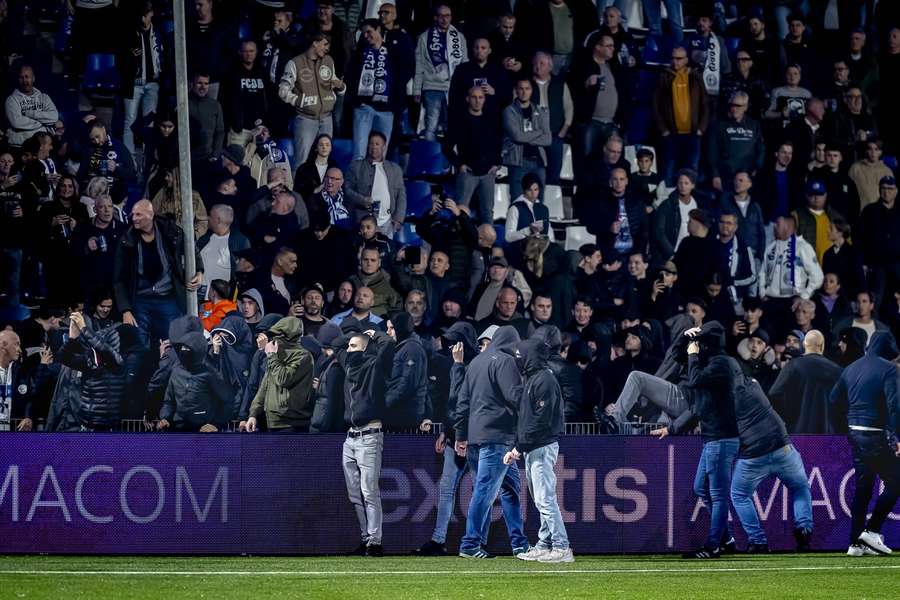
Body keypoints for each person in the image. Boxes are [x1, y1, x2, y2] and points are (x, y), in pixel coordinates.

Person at [648, 323, 740, 559]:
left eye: (701, 341)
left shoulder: (721, 364)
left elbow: (694, 379)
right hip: (713, 438)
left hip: (721, 438)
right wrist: (682, 337)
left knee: (718, 495)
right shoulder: (710, 362)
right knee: (701, 488)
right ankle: (726, 539)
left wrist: (693, 355)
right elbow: (696, 403)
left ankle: (713, 546)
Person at [454, 325, 528, 558]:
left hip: (477, 437)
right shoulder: (505, 361)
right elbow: (515, 397)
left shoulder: (475, 362)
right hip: (498, 438)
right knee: (485, 492)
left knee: (509, 490)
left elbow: (462, 402)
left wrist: (460, 435)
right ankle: (470, 544)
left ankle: (519, 544)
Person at [729, 351, 814, 552]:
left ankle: (757, 540)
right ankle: (804, 529)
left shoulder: (723, 399)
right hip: (782, 446)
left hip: (753, 454)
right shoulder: (754, 384)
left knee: (739, 494)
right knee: (800, 487)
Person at [830, 332, 900, 556]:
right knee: (897, 482)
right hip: (876, 434)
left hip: (855, 433)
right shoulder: (889, 370)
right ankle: (872, 531)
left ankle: (855, 543)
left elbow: (833, 400)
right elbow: (894, 406)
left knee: (863, 488)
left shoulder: (851, 368)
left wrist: (846, 426)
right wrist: (897, 437)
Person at [504, 336, 572, 563]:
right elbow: (526, 419)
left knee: (545, 500)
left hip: (542, 446)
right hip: (533, 447)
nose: (518, 360)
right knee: (541, 499)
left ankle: (562, 547)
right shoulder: (534, 378)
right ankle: (544, 544)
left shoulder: (545, 380)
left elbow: (541, 420)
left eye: (521, 356)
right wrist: (518, 446)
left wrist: (518, 447)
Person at [113, 200, 203, 346]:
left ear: (150, 215)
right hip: (140, 299)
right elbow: (118, 279)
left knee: (172, 341)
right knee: (138, 343)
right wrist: (126, 310)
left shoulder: (170, 231)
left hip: (166, 297)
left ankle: (168, 368)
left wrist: (199, 272)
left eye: (138, 214)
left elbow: (191, 249)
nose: (134, 218)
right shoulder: (127, 240)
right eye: (133, 214)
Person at [342, 329, 394, 557]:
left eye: (353, 346)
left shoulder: (374, 366)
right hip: (350, 437)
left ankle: (375, 541)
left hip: (370, 435)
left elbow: (389, 345)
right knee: (355, 494)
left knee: (369, 491)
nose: (348, 350)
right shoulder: (349, 368)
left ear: (364, 347)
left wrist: (377, 334)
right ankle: (365, 538)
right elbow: (335, 345)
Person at [279, 33, 346, 163]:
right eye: (325, 44)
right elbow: (283, 91)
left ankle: (321, 184)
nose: (327, 48)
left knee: (324, 160)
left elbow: (335, 82)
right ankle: (298, 184)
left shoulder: (328, 60)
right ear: (315, 43)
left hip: (327, 118)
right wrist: (298, 100)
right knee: (301, 161)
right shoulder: (295, 63)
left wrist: (341, 87)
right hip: (305, 119)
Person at [346, 19, 404, 160]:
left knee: (380, 154)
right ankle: (356, 181)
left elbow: (400, 77)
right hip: (364, 107)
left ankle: (377, 181)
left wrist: (394, 104)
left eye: (369, 32)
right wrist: (356, 101)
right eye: (363, 33)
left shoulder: (394, 51)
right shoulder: (360, 52)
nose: (366, 35)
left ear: (378, 29)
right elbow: (351, 76)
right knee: (359, 151)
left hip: (386, 109)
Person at [246, 316, 314, 432]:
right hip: (271, 422)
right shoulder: (276, 355)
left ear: (290, 337)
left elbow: (283, 379)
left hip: (292, 424)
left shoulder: (303, 356)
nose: (274, 339)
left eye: (277, 335)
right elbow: (265, 386)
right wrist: (253, 414)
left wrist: (272, 356)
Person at [652, 46, 709, 187]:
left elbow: (705, 104)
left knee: (692, 170)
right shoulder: (664, 76)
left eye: (678, 58)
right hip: (671, 134)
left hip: (693, 133)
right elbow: (655, 105)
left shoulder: (695, 77)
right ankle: (667, 203)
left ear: (686, 60)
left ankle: (691, 204)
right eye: (673, 58)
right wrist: (663, 129)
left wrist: (701, 128)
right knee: (669, 170)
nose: (675, 61)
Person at [445, 86, 502, 224]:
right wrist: (460, 165)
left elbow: (498, 144)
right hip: (467, 173)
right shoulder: (460, 120)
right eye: (474, 97)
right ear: (468, 99)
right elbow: (447, 147)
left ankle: (487, 243)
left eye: (481, 97)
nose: (477, 101)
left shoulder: (491, 120)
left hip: (488, 173)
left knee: (487, 212)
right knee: (460, 211)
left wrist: (497, 163)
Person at [768, 330, 843, 434]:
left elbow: (774, 393)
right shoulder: (837, 370)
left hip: (797, 432)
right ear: (822, 346)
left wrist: (788, 416)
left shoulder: (793, 365)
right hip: (828, 433)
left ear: (804, 344)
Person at [158, 330, 232, 432]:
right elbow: (168, 401)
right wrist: (165, 418)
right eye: (185, 346)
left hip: (204, 430)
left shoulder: (211, 373)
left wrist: (215, 424)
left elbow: (227, 401)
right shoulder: (176, 372)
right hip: (179, 428)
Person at [414, 5, 467, 141]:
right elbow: (419, 65)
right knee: (430, 127)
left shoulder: (459, 37)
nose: (444, 19)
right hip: (432, 87)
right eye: (441, 16)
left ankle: (450, 161)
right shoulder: (424, 37)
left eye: (447, 15)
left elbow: (465, 63)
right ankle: (428, 161)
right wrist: (416, 90)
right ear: (435, 18)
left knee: (453, 126)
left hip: (454, 88)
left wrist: (465, 87)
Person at [344, 131, 406, 236]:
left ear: (384, 147)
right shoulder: (355, 166)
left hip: (387, 222)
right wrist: (362, 200)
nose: (374, 147)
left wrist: (398, 219)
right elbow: (347, 189)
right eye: (371, 143)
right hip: (363, 222)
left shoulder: (395, 169)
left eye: (377, 144)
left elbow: (401, 195)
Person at [121, 3, 162, 157]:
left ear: (151, 14)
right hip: (133, 85)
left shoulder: (158, 32)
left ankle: (148, 155)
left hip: (153, 84)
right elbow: (120, 60)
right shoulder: (128, 33)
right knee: (129, 121)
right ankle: (129, 157)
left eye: (147, 15)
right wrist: (130, 57)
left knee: (149, 122)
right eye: (142, 16)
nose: (144, 19)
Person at [503, 78, 551, 200]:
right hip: (519, 162)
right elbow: (517, 137)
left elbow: (547, 139)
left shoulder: (540, 111)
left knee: (538, 203)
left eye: (527, 88)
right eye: (521, 88)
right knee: (518, 203)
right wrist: (539, 131)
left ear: (531, 91)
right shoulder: (509, 111)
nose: (524, 92)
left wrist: (525, 136)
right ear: (516, 91)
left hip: (538, 162)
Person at [708, 92, 764, 194]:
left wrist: (757, 168)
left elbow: (760, 149)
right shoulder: (719, 125)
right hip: (726, 176)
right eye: (732, 105)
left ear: (745, 107)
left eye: (738, 106)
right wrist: (715, 175)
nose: (734, 108)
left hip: (748, 177)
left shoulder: (754, 125)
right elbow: (712, 151)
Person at [4, 65, 58, 148]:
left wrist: (29, 114)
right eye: (21, 77)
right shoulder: (11, 100)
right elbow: (17, 122)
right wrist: (42, 123)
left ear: (33, 78)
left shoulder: (43, 97)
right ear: (18, 80)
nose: (24, 80)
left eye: (27, 77)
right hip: (20, 145)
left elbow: (54, 117)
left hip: (42, 145)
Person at [0, 330, 32, 432]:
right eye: (16, 344)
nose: (20, 350)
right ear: (3, 345)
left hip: (13, 432)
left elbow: (30, 398)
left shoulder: (22, 372)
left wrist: (28, 417)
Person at [254, 246, 298, 317]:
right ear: (279, 261)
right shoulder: (260, 281)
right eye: (292, 261)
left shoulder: (291, 283)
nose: (296, 265)